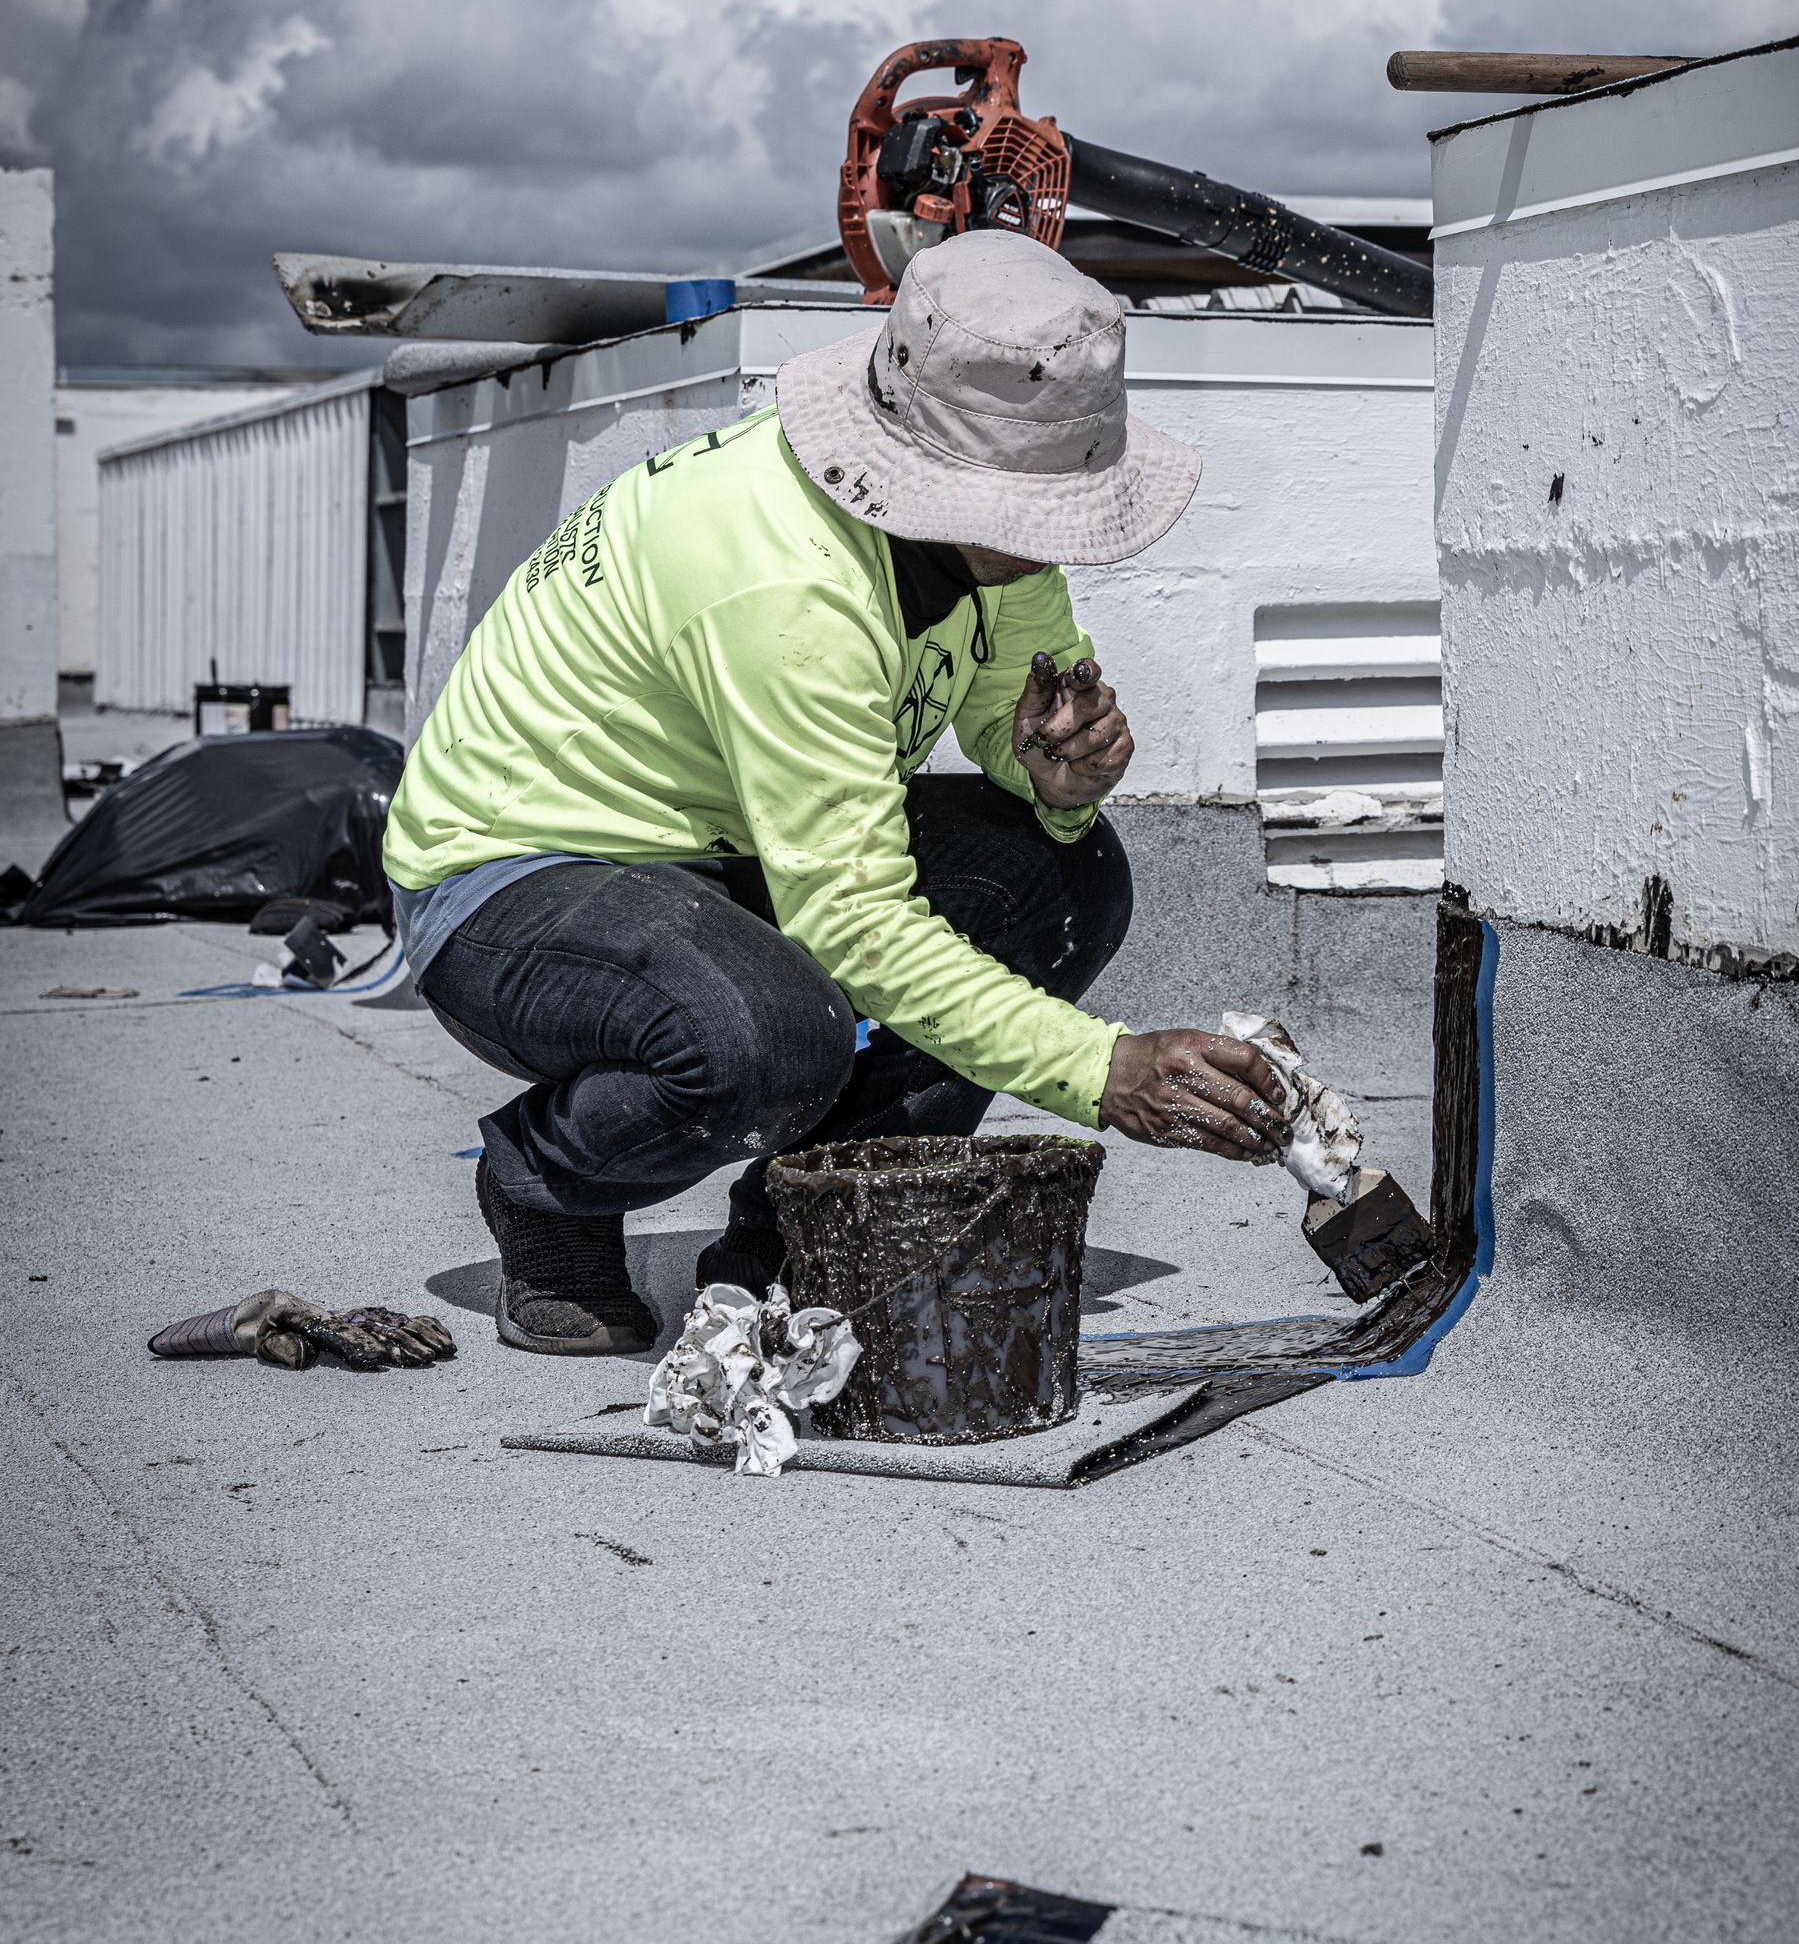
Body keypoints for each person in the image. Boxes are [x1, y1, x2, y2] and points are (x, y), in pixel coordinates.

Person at [383, 227, 1291, 1354]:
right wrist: (1097, 1070)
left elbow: (1014, 735)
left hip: (724, 844)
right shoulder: (786, 583)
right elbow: (852, 922)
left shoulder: (995, 551)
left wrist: (1059, 780)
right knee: (767, 1045)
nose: (1054, 534)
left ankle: (795, 1230)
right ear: (947, 477)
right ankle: (545, 1185)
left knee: (1069, 878)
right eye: (1038, 504)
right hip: (508, 879)